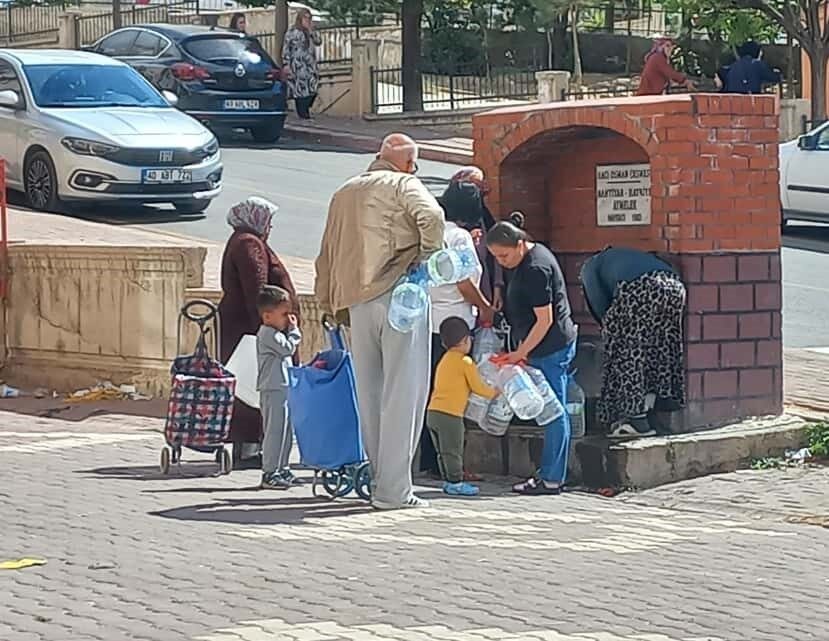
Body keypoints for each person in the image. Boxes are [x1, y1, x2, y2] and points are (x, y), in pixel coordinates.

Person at [315, 133, 445, 510]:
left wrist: (328, 304)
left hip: (356, 304)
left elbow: (327, 254)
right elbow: (432, 216)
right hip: (400, 294)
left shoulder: (343, 193)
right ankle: (393, 491)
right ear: (408, 163)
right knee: (404, 391)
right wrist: (427, 257)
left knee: (369, 394)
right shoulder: (405, 183)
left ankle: (377, 480)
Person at [486, 212, 577, 496]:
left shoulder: (537, 267)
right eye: (496, 258)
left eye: (504, 256)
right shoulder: (524, 260)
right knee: (553, 409)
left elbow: (545, 319)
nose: (502, 262)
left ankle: (551, 477)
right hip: (537, 345)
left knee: (553, 411)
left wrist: (520, 353)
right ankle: (552, 474)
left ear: (519, 244)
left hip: (550, 346)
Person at [418, 180, 495, 478]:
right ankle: (448, 465)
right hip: (455, 324)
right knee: (452, 397)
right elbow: (465, 283)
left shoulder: (432, 230)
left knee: (431, 393)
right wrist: (486, 306)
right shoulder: (460, 237)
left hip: (428, 321)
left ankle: (427, 458)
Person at [219, 197, 300, 468]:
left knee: (251, 388)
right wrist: (272, 327)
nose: (271, 226)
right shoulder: (248, 244)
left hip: (251, 327)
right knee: (252, 389)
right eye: (268, 220)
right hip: (252, 330)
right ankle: (250, 448)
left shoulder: (246, 240)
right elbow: (258, 289)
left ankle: (252, 445)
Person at [580, 246, 686, 438]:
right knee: (659, 348)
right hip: (675, 287)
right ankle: (656, 407)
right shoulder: (628, 257)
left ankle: (636, 419)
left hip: (640, 288)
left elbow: (599, 305)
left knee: (626, 352)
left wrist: (609, 332)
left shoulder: (590, 267)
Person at [426, 317, 498, 497]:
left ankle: (448, 481)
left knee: (442, 451)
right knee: (453, 451)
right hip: (450, 415)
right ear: (465, 340)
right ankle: (456, 482)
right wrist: (494, 392)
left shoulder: (444, 359)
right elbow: (477, 387)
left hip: (433, 412)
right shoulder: (465, 362)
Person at [256, 285, 302, 490]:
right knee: (274, 431)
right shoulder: (267, 333)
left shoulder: (275, 333)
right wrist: (295, 331)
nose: (287, 319)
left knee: (286, 430)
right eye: (283, 314)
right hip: (273, 387)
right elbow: (288, 349)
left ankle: (282, 467)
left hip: (284, 386)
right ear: (267, 316)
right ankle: (269, 471)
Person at [282, 8, 321, 120]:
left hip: (310, 65)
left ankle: (305, 110)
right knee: (300, 91)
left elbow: (318, 41)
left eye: (309, 18)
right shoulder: (292, 32)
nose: (307, 20)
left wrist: (310, 30)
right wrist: (286, 64)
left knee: (313, 89)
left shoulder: (310, 31)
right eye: (305, 18)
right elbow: (286, 49)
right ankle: (303, 114)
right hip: (297, 66)